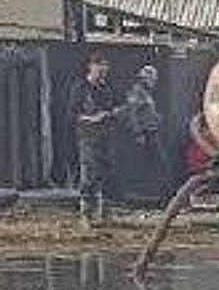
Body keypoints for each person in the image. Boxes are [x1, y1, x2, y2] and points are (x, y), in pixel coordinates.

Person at [65, 53, 120, 225]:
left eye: (105, 66)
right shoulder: (80, 88)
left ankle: (105, 212)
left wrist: (111, 114)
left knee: (106, 172)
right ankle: (86, 214)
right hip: (87, 136)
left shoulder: (106, 89)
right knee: (89, 173)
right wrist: (92, 119)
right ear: (91, 66)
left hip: (105, 135)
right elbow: (72, 115)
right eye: (100, 66)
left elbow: (112, 109)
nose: (103, 70)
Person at [124, 64, 169, 194]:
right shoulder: (137, 92)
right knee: (154, 163)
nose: (153, 82)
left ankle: (155, 192)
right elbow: (132, 113)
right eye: (151, 79)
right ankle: (141, 192)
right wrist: (138, 133)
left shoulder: (146, 94)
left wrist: (156, 117)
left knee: (156, 164)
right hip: (144, 134)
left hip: (152, 132)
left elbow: (145, 111)